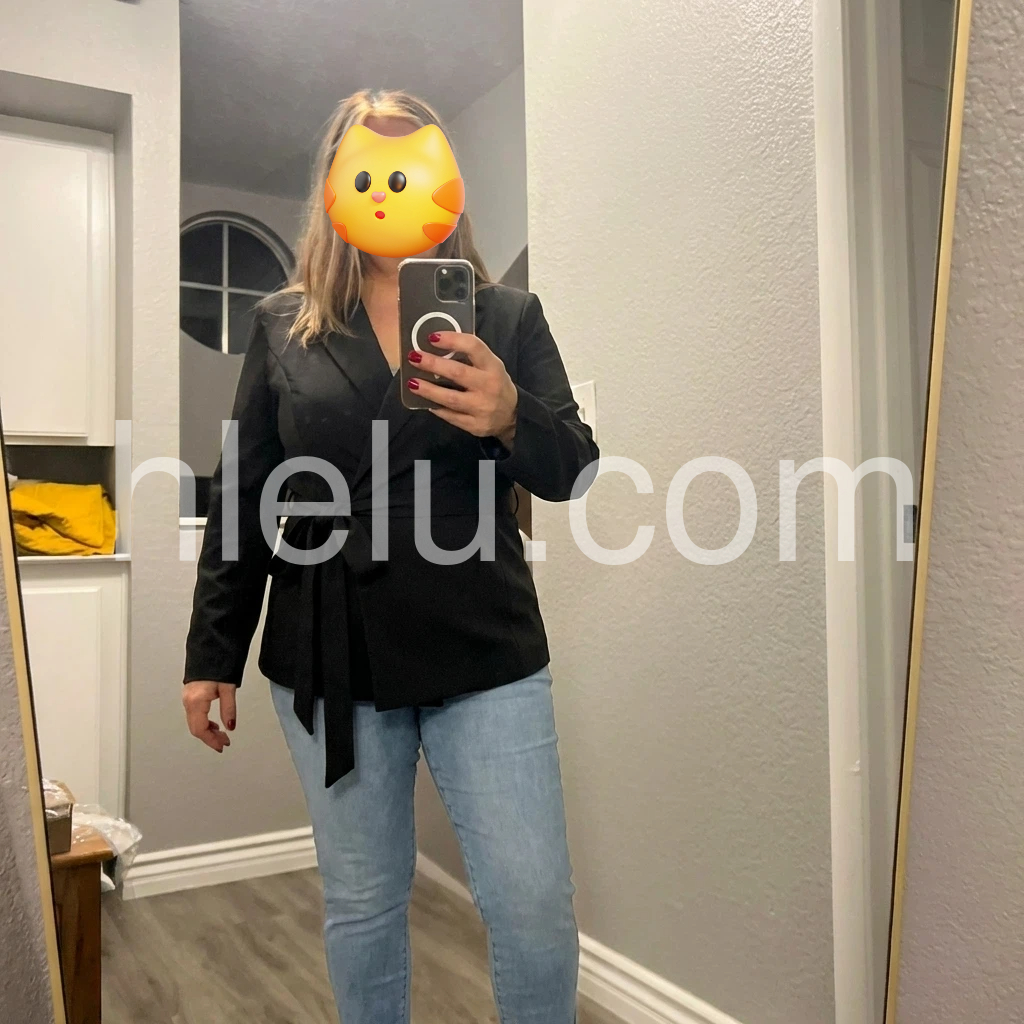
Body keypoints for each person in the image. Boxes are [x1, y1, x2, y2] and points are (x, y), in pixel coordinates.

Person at [181, 88, 598, 1024]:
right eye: (366, 172)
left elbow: (573, 468)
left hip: (484, 650)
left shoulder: (506, 316)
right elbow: (244, 495)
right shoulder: (283, 325)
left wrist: (511, 415)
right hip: (332, 650)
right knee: (364, 903)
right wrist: (213, 654)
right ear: (337, 187)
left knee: (533, 908)